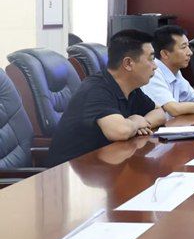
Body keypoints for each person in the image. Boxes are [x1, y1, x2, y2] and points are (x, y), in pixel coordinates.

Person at [47, 30, 166, 166]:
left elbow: (160, 113)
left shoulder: (131, 88)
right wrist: (135, 122)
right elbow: (120, 131)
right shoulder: (95, 89)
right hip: (67, 171)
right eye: (151, 59)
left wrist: (143, 122)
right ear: (128, 63)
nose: (155, 66)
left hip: (103, 165)